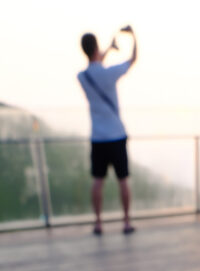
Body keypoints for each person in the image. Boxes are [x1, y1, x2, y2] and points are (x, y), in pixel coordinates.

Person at [77, 26, 137, 235]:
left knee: (97, 181)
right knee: (123, 181)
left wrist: (109, 49)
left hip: (97, 137)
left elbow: (95, 63)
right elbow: (132, 59)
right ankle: (126, 222)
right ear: (96, 48)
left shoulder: (82, 77)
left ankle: (98, 222)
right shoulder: (109, 74)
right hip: (117, 135)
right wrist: (134, 36)